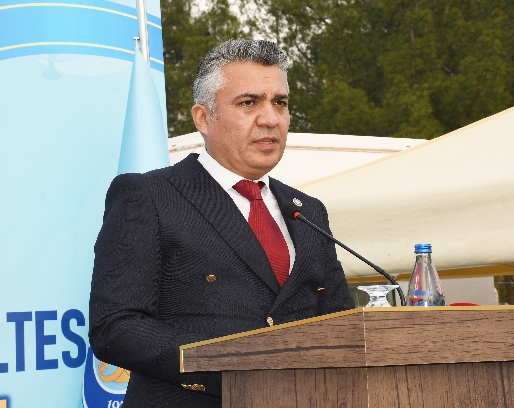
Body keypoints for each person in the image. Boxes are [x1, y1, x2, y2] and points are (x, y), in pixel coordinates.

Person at [89, 39, 355, 408]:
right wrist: (233, 367)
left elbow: (340, 323)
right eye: (249, 103)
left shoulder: (308, 211)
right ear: (203, 118)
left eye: (280, 102)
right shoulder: (149, 196)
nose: (270, 118)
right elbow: (116, 326)